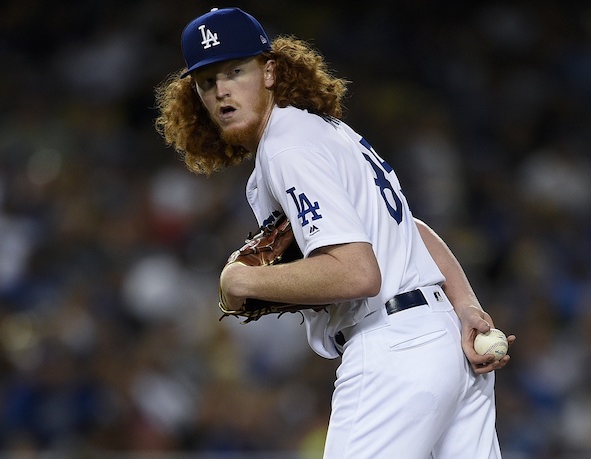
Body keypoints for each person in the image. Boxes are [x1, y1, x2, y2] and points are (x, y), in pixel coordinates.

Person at [154, 7, 515, 458]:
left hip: (394, 350)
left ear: (269, 71)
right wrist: (465, 306)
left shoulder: (288, 146)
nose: (222, 90)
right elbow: (411, 228)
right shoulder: (324, 132)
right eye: (207, 81)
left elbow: (358, 275)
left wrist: (241, 280)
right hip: (445, 345)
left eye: (236, 70)